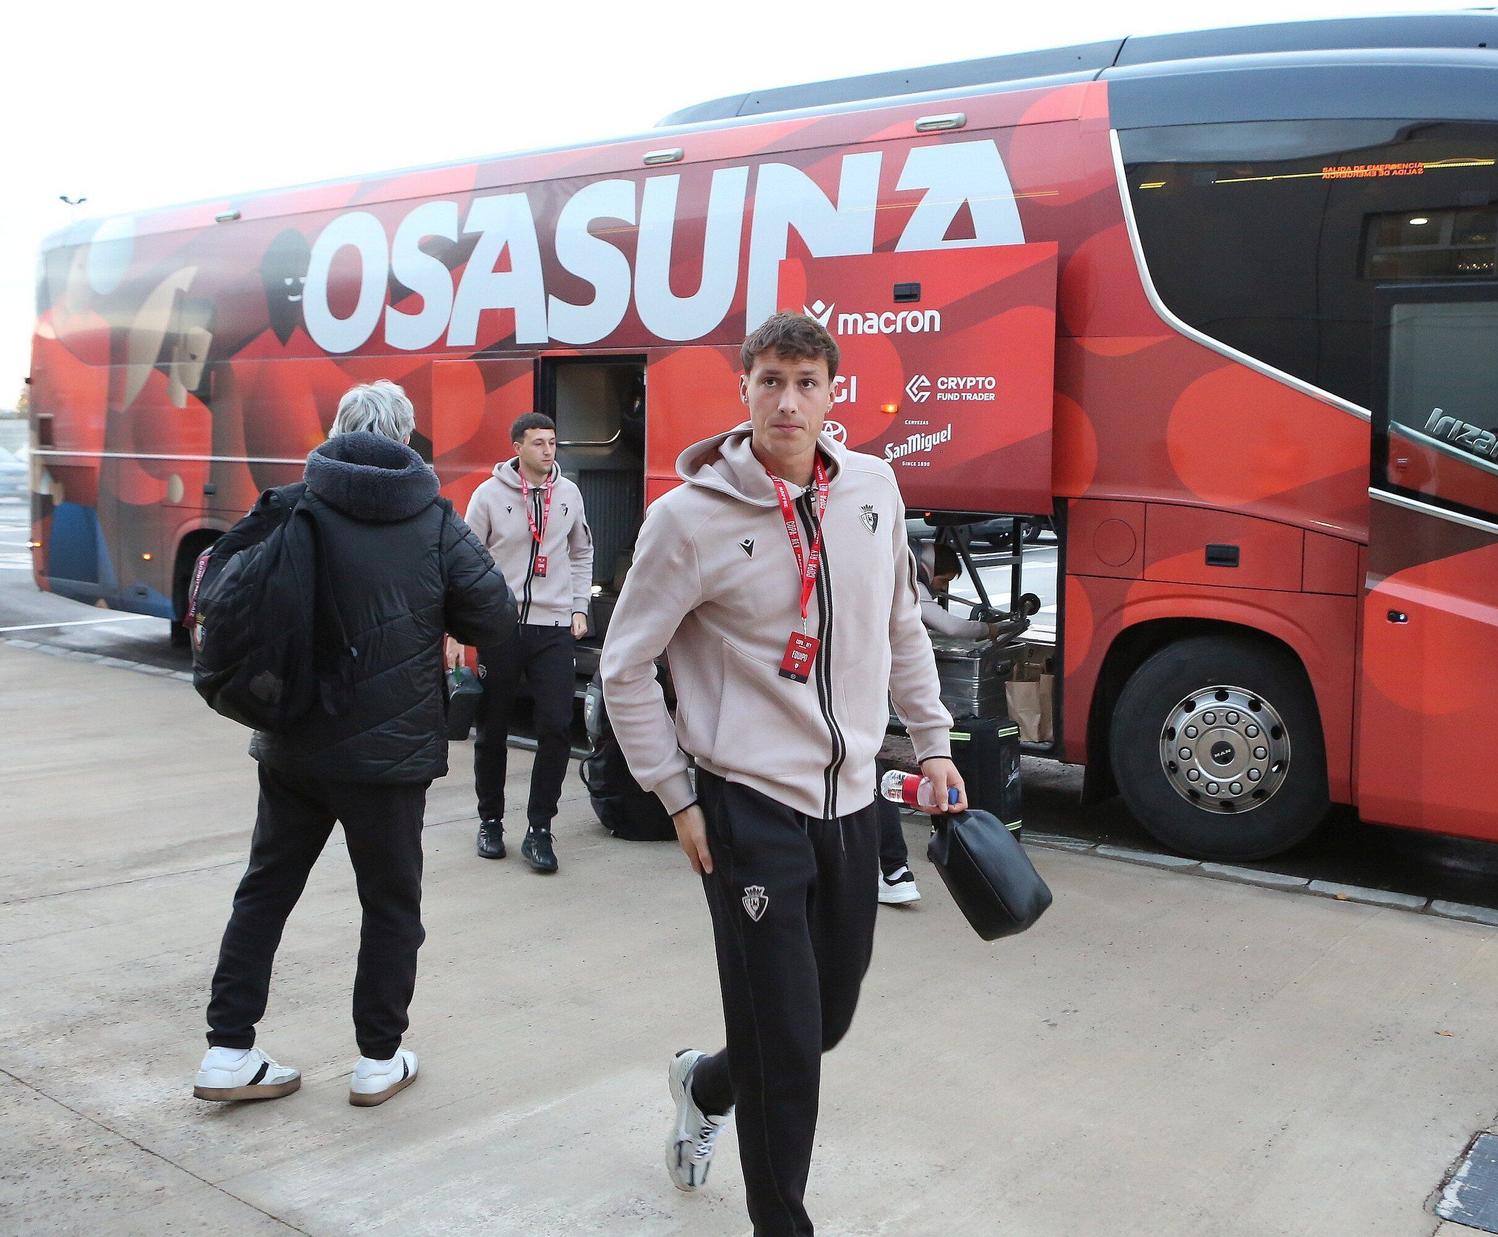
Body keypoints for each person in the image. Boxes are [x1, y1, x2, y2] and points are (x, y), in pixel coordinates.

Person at [599, 311, 964, 1235]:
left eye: (806, 381)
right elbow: (624, 664)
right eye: (770, 380)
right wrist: (675, 794)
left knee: (822, 1019)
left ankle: (703, 1079)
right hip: (746, 803)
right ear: (744, 391)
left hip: (852, 802)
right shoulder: (688, 520)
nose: (788, 400)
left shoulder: (874, 490)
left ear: (833, 393)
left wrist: (933, 741)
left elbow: (901, 627)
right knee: (790, 1051)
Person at [192, 381, 514, 1108]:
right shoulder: (431, 519)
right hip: (389, 760)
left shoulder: (294, 503)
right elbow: (493, 615)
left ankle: (228, 1049)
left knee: (265, 890)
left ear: (337, 430)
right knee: (391, 904)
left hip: (294, 742)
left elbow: (227, 589)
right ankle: (377, 1058)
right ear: (406, 439)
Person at [456, 412, 594, 873]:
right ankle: (490, 820)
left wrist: (579, 606)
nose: (548, 451)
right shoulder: (489, 496)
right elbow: (466, 564)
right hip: (500, 625)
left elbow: (580, 551)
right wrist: (460, 628)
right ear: (517, 446)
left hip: (552, 626)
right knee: (492, 727)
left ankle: (540, 827)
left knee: (555, 724)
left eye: (553, 442)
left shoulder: (568, 494)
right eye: (538, 443)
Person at [875, 535, 1030, 905]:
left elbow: (911, 639)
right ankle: (894, 870)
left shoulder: (895, 547)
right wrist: (991, 630)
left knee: (865, 774)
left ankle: (894, 871)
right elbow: (941, 624)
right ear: (937, 569)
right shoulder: (909, 565)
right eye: (945, 581)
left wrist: (933, 747)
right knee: (868, 774)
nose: (941, 589)